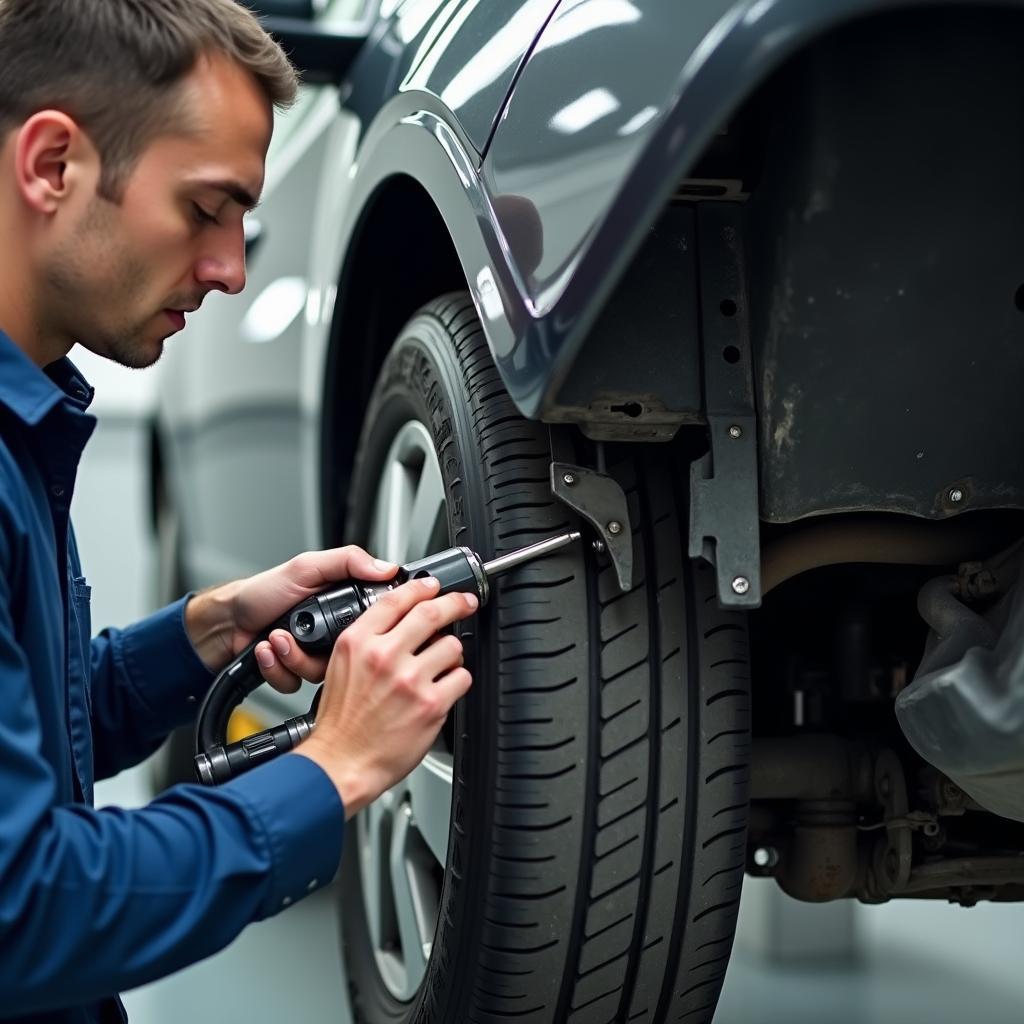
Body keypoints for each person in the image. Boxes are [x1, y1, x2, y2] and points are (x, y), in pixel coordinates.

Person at [0, 2, 477, 1020]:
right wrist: (332, 765)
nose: (230, 271)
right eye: (206, 209)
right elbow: (21, 908)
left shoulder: (23, 423)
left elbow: (29, 731)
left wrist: (201, 634)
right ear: (50, 165)